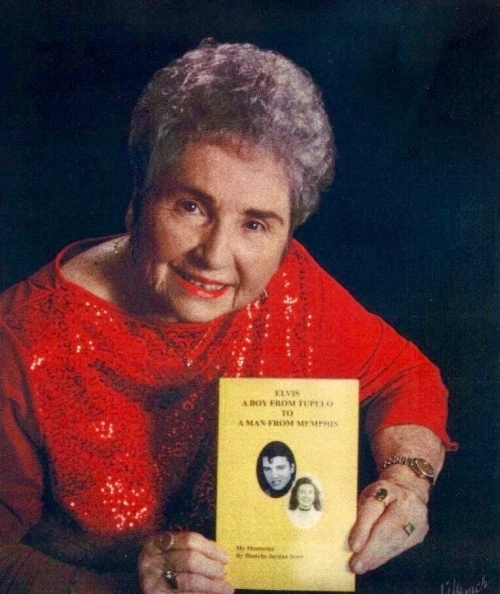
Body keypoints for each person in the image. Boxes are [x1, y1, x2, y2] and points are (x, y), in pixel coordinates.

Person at [0, 39, 457, 594]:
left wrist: (406, 481)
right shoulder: (23, 338)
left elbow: (405, 376)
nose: (215, 256)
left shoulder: (291, 284)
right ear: (138, 198)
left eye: (256, 224)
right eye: (191, 206)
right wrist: (121, 589)